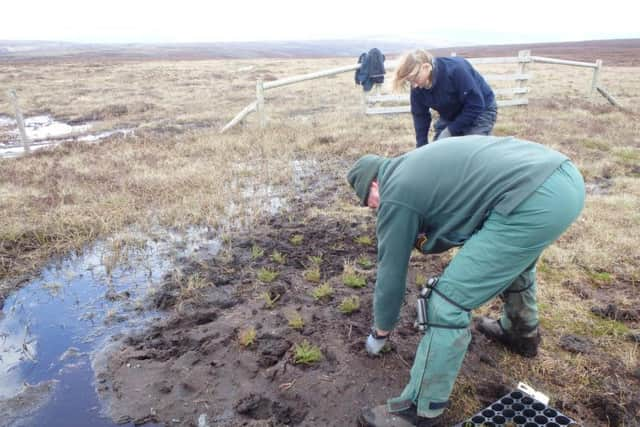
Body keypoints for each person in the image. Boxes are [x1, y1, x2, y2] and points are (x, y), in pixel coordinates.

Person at [346, 135, 585, 427]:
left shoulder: (395, 193)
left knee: (445, 303)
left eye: (367, 201)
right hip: (563, 178)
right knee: (511, 263)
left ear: (373, 183)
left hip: (534, 198)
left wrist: (380, 332)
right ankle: (520, 334)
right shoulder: (412, 166)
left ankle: (418, 410)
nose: (372, 209)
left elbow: (390, 271)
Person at [393, 49, 497, 148]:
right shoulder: (417, 86)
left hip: (481, 110)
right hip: (451, 113)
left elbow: (476, 105)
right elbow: (420, 115)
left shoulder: (456, 70)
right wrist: (421, 145)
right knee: (439, 149)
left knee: (471, 149)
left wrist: (450, 131)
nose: (414, 85)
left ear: (426, 67)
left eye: (415, 78)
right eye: (409, 81)